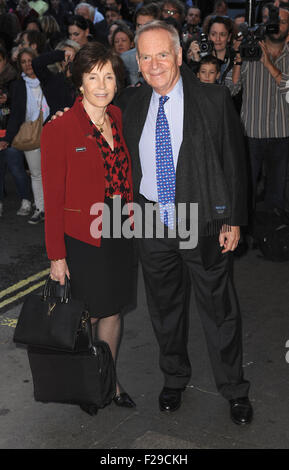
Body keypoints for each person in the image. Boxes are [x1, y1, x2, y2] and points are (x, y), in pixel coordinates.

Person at [118, 20, 253, 425]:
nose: (154, 63)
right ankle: (174, 378)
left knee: (219, 309)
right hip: (150, 220)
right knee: (164, 308)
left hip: (201, 221)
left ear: (179, 55)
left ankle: (234, 388)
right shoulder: (129, 103)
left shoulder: (212, 99)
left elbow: (235, 162)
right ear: (137, 62)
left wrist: (233, 220)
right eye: (145, 56)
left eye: (163, 53)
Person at [41, 42, 135, 415]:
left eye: (109, 76)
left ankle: (108, 382)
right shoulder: (60, 129)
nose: (102, 84)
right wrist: (56, 257)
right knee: (87, 317)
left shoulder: (118, 115)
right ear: (79, 82)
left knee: (112, 310)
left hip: (119, 229)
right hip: (82, 237)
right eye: (93, 76)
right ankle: (85, 385)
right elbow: (52, 198)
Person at [225, 5, 289, 218]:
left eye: (282, 21)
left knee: (278, 196)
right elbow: (231, 89)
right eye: (272, 21)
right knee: (246, 192)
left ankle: (274, 237)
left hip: (283, 135)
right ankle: (247, 236)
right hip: (251, 134)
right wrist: (237, 56)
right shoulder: (249, 50)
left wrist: (268, 64)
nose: (276, 26)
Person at [0, 47, 50, 224]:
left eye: (30, 60)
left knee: (52, 172)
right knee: (36, 173)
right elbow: (15, 115)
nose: (28, 64)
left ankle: (56, 208)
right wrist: (8, 138)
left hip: (51, 131)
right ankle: (40, 208)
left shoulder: (48, 79)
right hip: (30, 134)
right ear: (19, 66)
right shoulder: (17, 85)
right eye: (23, 62)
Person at [0, 46, 31, 218]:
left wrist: (9, 100)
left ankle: (26, 200)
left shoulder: (16, 81)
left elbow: (21, 109)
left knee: (16, 168)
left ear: (5, 60)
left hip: (12, 134)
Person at [189, 15, 236, 83]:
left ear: (229, 37)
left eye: (222, 34)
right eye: (213, 34)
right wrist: (196, 60)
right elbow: (191, 86)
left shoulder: (236, 58)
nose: (218, 39)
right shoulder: (201, 57)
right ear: (208, 36)